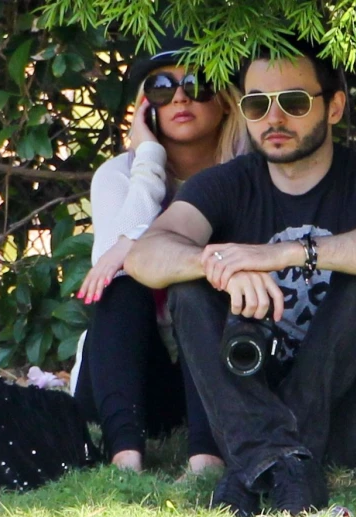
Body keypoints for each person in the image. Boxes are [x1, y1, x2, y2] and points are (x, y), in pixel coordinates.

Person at [124, 38, 356, 517]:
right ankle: (283, 460)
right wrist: (221, 266)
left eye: (293, 102)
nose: (274, 119)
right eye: (257, 104)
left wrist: (282, 254)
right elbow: (145, 256)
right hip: (260, 408)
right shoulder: (227, 184)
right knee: (189, 286)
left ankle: (262, 457)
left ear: (333, 108)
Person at [72, 35, 250, 475]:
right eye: (161, 89)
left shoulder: (250, 175)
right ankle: (124, 458)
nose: (181, 97)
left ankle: (206, 459)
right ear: (146, 108)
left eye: (197, 82)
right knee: (124, 284)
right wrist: (148, 160)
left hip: (217, 371)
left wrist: (137, 244)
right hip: (128, 376)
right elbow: (110, 269)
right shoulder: (117, 175)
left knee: (197, 282)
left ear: (226, 101)